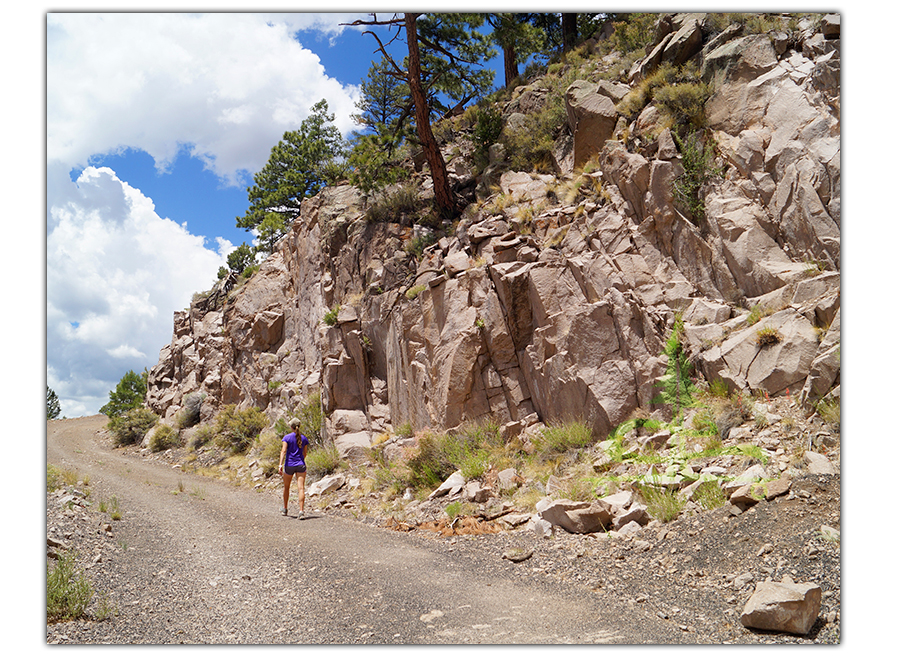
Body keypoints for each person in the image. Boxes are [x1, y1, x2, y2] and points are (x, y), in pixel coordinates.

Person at [278, 418, 309, 517]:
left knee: (286, 487)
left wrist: (280, 464)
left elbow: (283, 451)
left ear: (291, 427)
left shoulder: (287, 438)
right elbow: (305, 453)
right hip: (301, 465)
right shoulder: (304, 438)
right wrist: (300, 460)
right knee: (301, 488)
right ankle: (301, 511)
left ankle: (285, 509)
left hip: (289, 465)